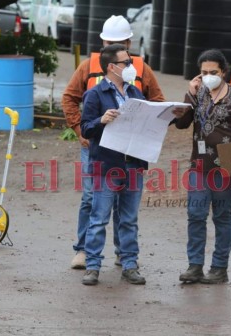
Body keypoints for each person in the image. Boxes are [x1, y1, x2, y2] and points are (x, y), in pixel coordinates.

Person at [62, 15, 165, 270]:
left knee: (125, 205)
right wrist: (80, 131)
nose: (112, 47)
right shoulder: (88, 67)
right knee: (92, 200)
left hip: (130, 151)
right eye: (108, 42)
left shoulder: (139, 68)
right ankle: (84, 251)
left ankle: (123, 253)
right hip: (98, 148)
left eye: (119, 42)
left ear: (129, 42)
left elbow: (157, 102)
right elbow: (69, 98)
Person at [175, 49, 231, 284]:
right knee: (195, 214)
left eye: (213, 72)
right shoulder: (198, 93)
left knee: (222, 216)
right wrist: (189, 94)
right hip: (199, 166)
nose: (208, 76)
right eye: (204, 72)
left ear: (223, 72)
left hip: (228, 167)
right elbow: (181, 124)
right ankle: (194, 266)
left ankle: (219, 268)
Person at [79, 44, 148, 286]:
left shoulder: (136, 94)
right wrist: (101, 120)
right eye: (125, 63)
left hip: (133, 163)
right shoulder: (95, 94)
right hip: (106, 165)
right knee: (99, 217)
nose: (130, 67)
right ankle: (93, 266)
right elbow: (85, 128)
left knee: (129, 218)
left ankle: (129, 264)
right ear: (111, 67)